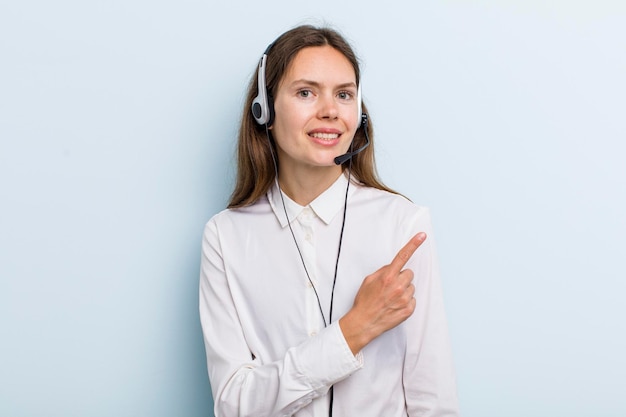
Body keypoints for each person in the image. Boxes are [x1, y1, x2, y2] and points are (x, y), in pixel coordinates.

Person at [199, 25, 459, 417]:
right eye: (306, 92)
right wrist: (353, 330)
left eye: (344, 94)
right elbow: (233, 406)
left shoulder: (403, 226)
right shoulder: (226, 236)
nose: (330, 111)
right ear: (264, 111)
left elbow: (432, 398)